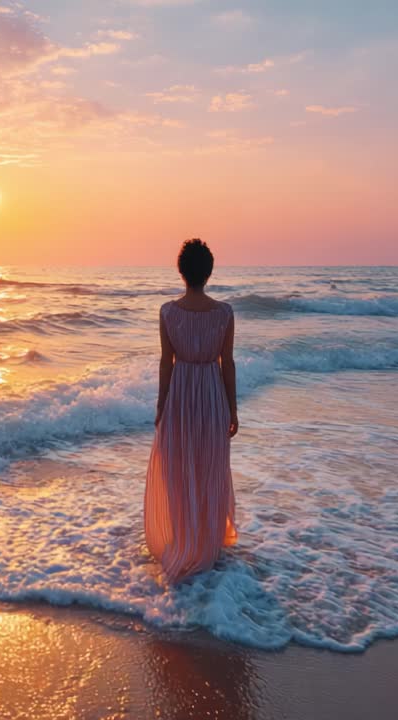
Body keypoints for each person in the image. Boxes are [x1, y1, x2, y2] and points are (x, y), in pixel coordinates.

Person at [145, 239, 238, 583]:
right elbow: (226, 363)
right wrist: (233, 408)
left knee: (179, 469)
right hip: (212, 396)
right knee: (209, 467)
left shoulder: (168, 312)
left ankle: (183, 540)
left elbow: (166, 363)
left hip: (181, 396)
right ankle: (207, 545)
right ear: (209, 272)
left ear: (181, 272)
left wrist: (161, 404)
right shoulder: (224, 313)